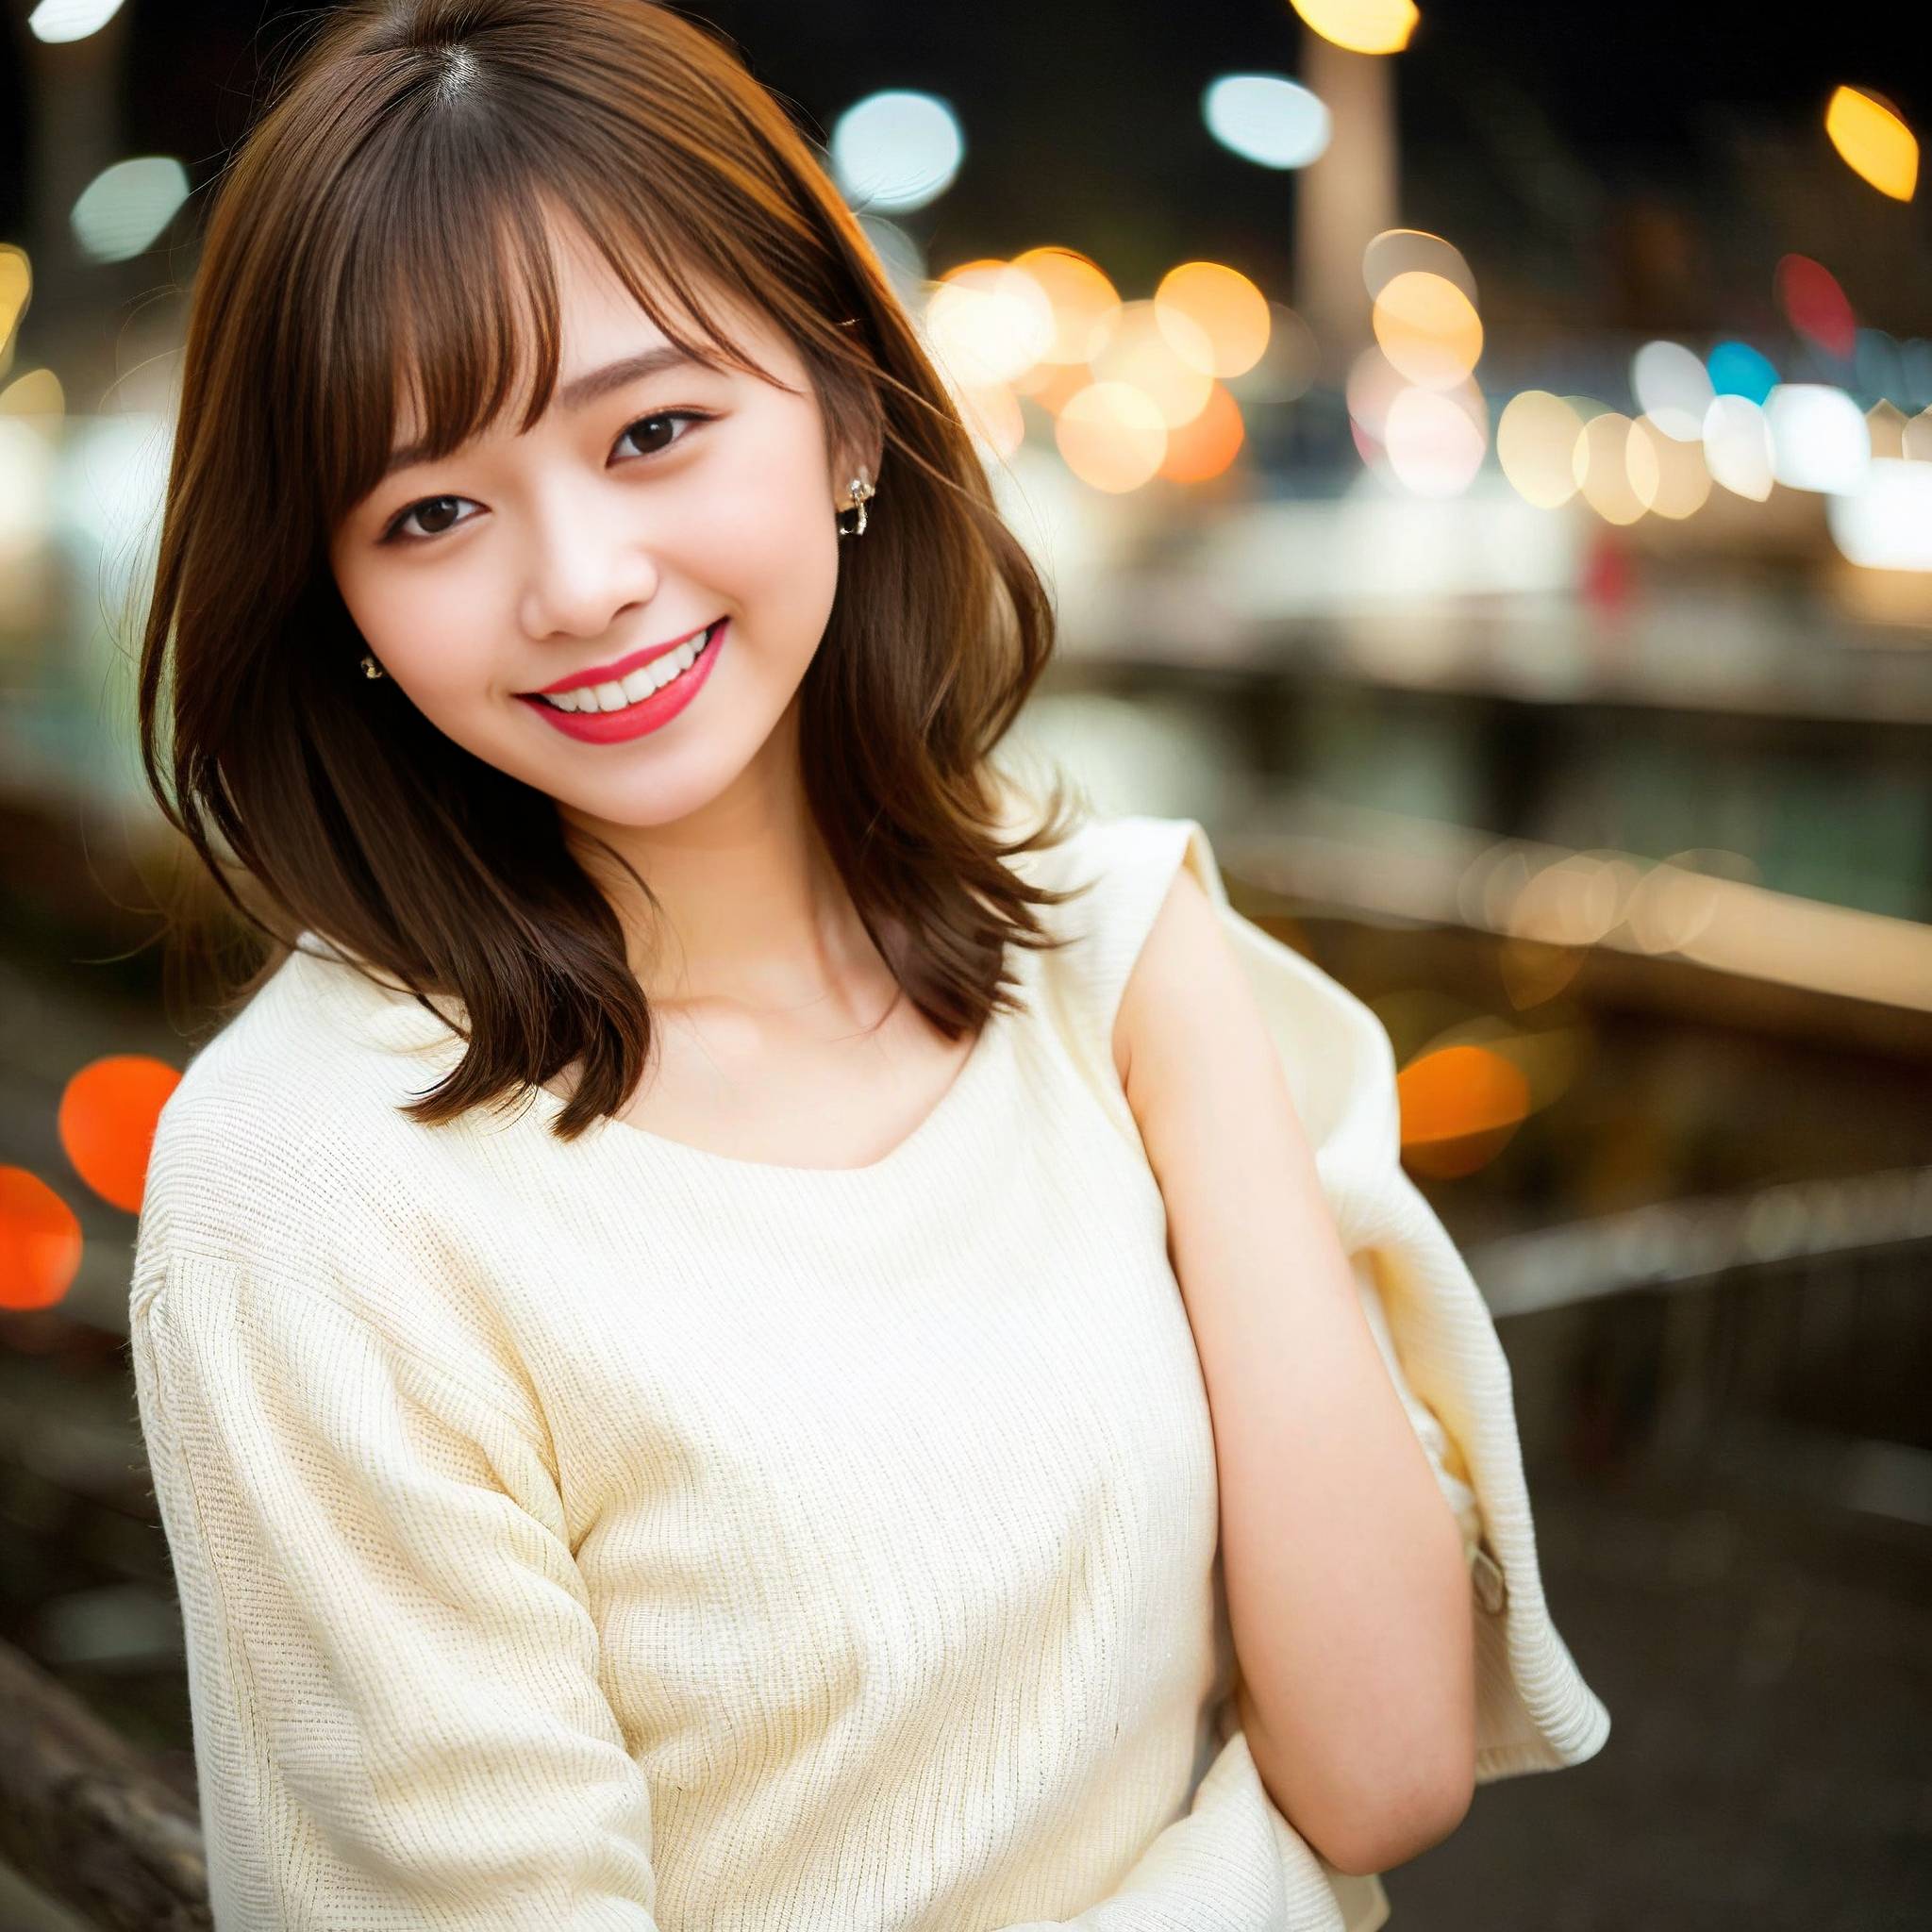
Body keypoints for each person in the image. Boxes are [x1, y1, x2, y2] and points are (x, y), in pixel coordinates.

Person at [127, 3, 1609, 1927]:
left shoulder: (1108, 942)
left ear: (840, 414)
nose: (574, 579)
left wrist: (1182, 1017)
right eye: (433, 512)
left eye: (651, 429)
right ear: (337, 600)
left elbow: (1387, 1759)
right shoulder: (316, 1187)